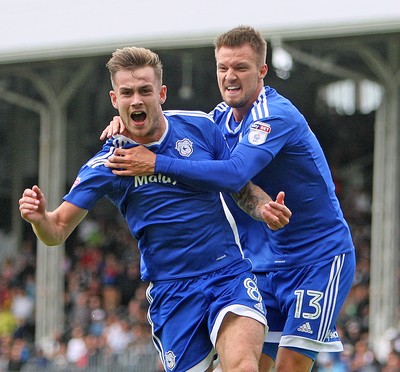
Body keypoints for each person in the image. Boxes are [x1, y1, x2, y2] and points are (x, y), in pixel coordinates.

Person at [19, 46, 292, 372]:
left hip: (227, 275)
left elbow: (238, 184)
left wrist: (262, 207)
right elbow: (57, 231)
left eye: (145, 90)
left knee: (244, 366)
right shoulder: (108, 165)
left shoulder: (200, 128)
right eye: (127, 92)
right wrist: (38, 219)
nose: (136, 100)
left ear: (161, 93)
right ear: (114, 99)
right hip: (172, 293)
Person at [100, 26, 356, 372]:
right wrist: (125, 124)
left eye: (241, 68)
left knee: (289, 367)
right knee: (249, 366)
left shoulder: (273, 114)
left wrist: (156, 162)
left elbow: (234, 174)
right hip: (263, 263)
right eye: (223, 68)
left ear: (262, 71)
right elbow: (170, 128)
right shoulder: (217, 120)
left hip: (318, 259)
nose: (230, 76)